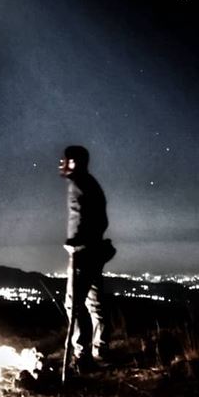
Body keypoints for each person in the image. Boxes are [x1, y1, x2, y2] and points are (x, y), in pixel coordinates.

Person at [58, 145, 113, 373]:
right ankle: (100, 351)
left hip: (83, 254)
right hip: (94, 251)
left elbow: (87, 218)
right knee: (95, 303)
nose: (63, 164)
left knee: (74, 305)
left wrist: (77, 244)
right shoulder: (89, 183)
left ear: (77, 162)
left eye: (68, 161)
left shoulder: (80, 185)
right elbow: (101, 220)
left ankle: (82, 356)